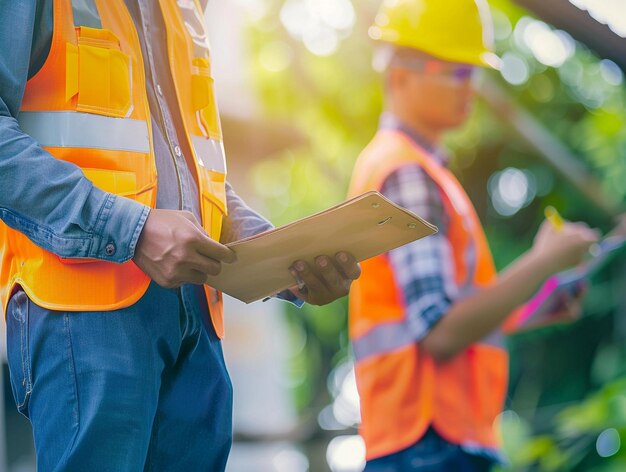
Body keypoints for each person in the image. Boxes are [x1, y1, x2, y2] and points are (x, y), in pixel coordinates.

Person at [0, 1, 360, 470]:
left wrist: (276, 253)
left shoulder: (181, 10)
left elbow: (189, 169)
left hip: (196, 319)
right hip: (84, 313)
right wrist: (130, 228)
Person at [348, 0, 599, 470]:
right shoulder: (408, 174)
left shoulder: (418, 171)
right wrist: (543, 262)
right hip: (431, 443)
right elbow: (439, 332)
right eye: (456, 72)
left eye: (473, 73)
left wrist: (529, 306)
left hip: (426, 441)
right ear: (401, 73)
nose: (471, 88)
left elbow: (440, 315)